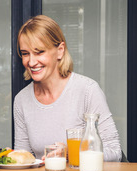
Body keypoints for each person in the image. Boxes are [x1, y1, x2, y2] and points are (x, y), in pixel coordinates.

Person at [13, 15, 122, 162]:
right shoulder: (21, 100)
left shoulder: (88, 91)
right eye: (25, 54)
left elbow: (114, 152)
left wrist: (71, 153)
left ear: (60, 50)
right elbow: (23, 159)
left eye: (39, 52)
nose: (31, 62)